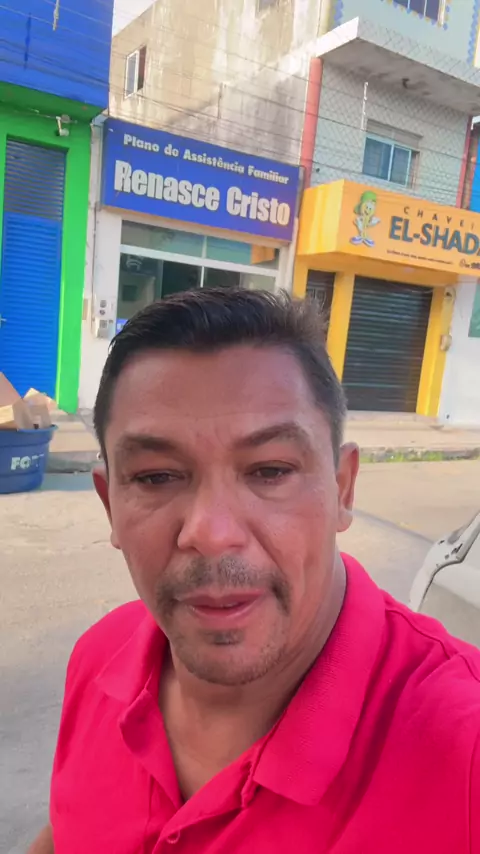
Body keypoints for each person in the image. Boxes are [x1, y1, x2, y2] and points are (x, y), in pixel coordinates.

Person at [28, 289, 480, 854]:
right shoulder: (100, 657)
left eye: (269, 470)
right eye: (156, 477)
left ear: (342, 488)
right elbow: (70, 827)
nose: (211, 532)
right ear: (109, 504)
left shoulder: (462, 752)